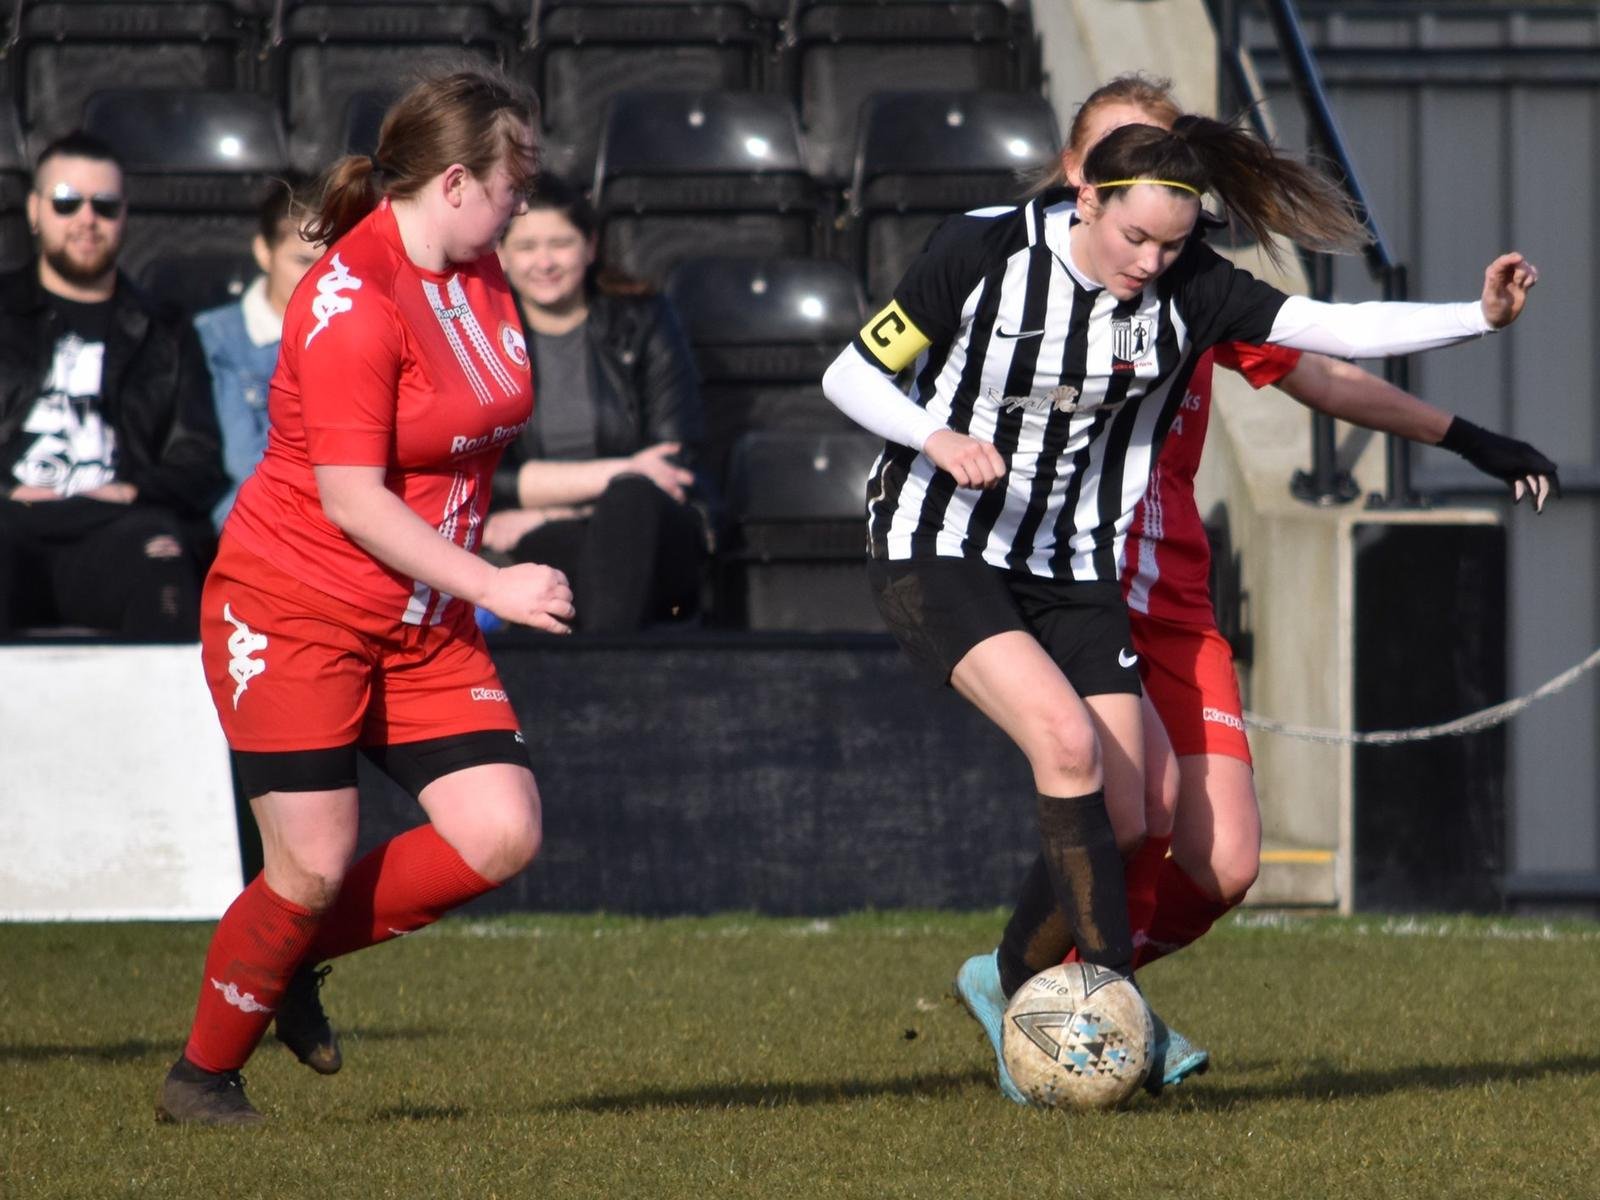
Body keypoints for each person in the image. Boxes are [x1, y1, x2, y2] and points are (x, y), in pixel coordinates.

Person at [820, 103, 1539, 1105]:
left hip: (1066, 563)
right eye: (1135, 238)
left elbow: (1329, 331)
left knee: (1141, 806)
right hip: (935, 543)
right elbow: (851, 371)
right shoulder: (979, 250)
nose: (1153, 262)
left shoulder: (1186, 287)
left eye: (1171, 242)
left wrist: (1477, 317)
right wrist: (937, 441)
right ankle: (1103, 1018)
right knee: (1068, 750)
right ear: (1085, 196)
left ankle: (1024, 987)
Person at [1049, 74, 1560, 1070]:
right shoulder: (1021, 269)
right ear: (1078, 178)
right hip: (1068, 586)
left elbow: (1321, 360)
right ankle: (1063, 996)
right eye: (1117, 160)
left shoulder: (1192, 283)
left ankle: (1064, 989)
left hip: (1174, 597)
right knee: (1133, 809)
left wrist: (1465, 434)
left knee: (1226, 862)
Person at [156, 68, 575, 1127]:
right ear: (453, 182)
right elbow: (349, 498)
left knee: (499, 832)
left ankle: (282, 946)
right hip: (294, 609)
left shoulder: (476, 270)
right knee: (310, 864)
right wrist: (492, 581)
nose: (524, 195)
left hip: (418, 621)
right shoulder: (349, 299)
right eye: (511, 175)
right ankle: (201, 1079)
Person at [0, 132, 226, 639]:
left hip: (119, 523)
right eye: (66, 202)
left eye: (104, 205)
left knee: (162, 556)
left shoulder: (165, 330)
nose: (86, 219)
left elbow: (198, 459)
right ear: (34, 211)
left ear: (124, 215)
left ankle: (164, 721)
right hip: (10, 515)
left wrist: (129, 490)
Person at [484, 173, 708, 633]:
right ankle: (611, 669)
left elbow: (671, 465)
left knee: (629, 501)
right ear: (502, 255)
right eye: (527, 247)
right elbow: (487, 476)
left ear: (589, 247)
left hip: (655, 531)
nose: (544, 262)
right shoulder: (481, 338)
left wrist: (554, 504)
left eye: (560, 244)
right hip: (550, 536)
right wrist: (618, 471)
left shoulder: (645, 320)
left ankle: (596, 675)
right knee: (562, 546)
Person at [195, 174, 322, 528]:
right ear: (264, 252)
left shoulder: (361, 335)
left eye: (330, 264)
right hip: (259, 516)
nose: (320, 279)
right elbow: (242, 460)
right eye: (303, 261)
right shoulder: (216, 337)